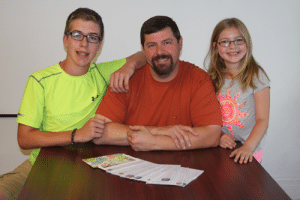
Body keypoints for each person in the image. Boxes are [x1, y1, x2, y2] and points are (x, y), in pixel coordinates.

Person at [0, 8, 146, 200]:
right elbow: (24, 139)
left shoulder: (102, 72)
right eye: (77, 35)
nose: (84, 44)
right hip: (40, 166)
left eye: (92, 37)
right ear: (65, 40)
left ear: (99, 45)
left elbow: (144, 54)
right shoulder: (40, 80)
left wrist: (130, 65)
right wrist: (76, 135)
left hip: (86, 169)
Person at [93, 16, 222, 151]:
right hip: (134, 165)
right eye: (152, 45)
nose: (160, 52)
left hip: (184, 164)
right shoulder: (126, 79)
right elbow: (99, 133)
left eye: (167, 43)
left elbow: (212, 135)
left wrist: (154, 142)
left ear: (180, 43)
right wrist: (158, 131)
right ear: (143, 50)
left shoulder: (198, 79)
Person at [204, 18, 270, 164]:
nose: (232, 46)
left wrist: (247, 147)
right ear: (215, 46)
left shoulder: (257, 76)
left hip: (250, 150)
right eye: (225, 41)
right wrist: (219, 136)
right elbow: (207, 117)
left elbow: (262, 120)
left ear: (247, 43)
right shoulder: (211, 78)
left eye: (238, 40)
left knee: (248, 185)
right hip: (221, 148)